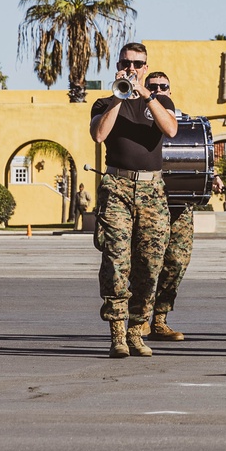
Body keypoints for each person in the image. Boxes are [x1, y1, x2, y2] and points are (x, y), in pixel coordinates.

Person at [89, 42, 179, 358]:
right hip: (117, 186)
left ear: (145, 66)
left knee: (150, 263)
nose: (132, 68)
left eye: (138, 64)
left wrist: (147, 95)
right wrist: (119, 95)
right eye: (127, 62)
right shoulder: (103, 101)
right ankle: (116, 334)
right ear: (118, 63)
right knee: (116, 260)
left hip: (152, 190)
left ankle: (137, 330)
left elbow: (170, 128)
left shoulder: (159, 100)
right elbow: (100, 135)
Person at [127, 71, 224, 343]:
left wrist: (211, 176)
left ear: (171, 89)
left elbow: (199, 156)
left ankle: (160, 319)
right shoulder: (137, 118)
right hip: (147, 203)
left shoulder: (183, 121)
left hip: (180, 206)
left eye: (163, 86)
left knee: (176, 263)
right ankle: (140, 319)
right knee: (146, 264)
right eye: (152, 86)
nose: (158, 89)